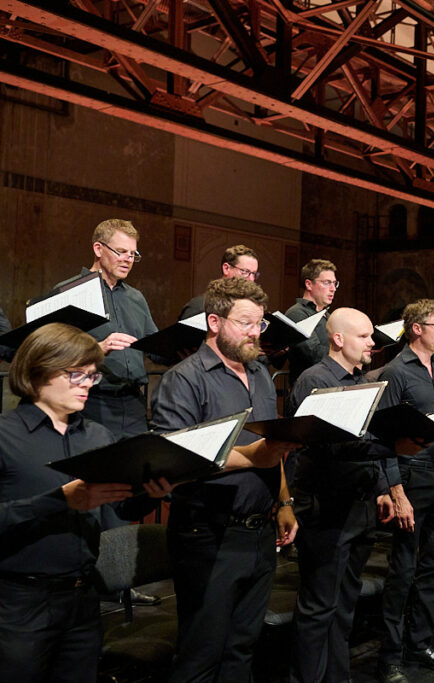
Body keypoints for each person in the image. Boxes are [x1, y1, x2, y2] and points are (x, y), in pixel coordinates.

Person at [0, 323, 172, 682]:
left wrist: (147, 495)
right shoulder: (5, 435)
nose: (87, 385)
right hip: (19, 601)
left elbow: (118, 506)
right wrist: (58, 501)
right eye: (76, 374)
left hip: (83, 596)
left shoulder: (97, 435)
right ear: (38, 370)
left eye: (92, 377)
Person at [151, 277, 297, 683]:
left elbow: (273, 446)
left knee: (242, 649)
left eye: (261, 324)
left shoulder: (262, 374)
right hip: (207, 531)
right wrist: (252, 458)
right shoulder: (185, 378)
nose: (256, 332)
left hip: (260, 529)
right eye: (246, 323)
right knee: (201, 653)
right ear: (214, 321)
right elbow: (178, 458)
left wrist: (283, 502)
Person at [288, 308, 398, 683]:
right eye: (365, 337)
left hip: (361, 504)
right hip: (327, 508)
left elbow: (370, 436)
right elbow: (324, 446)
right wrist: (392, 446)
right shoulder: (314, 380)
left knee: (345, 605)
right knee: (319, 606)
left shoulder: (362, 381)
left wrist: (384, 488)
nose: (372, 343)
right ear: (338, 339)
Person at [376, 299, 434, 682]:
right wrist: (396, 492)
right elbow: (386, 438)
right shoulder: (396, 372)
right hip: (412, 478)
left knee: (431, 569)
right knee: (403, 572)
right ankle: (390, 656)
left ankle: (420, 643)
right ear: (417, 329)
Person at [54, 219, 161, 439]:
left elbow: (153, 346)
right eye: (121, 251)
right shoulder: (69, 293)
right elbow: (50, 352)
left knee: (134, 470)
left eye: (133, 254)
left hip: (134, 405)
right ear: (98, 249)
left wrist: (179, 346)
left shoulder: (136, 298)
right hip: (90, 401)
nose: (128, 260)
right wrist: (97, 348)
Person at [286, 259, 337, 385]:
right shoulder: (297, 313)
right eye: (327, 283)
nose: (333, 289)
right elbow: (314, 353)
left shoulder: (328, 315)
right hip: (310, 384)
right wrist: (347, 352)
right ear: (309, 284)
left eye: (335, 283)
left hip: (330, 379)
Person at [178, 244, 259, 320]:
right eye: (245, 272)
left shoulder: (250, 310)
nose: (251, 279)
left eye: (254, 274)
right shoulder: (199, 307)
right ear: (226, 268)